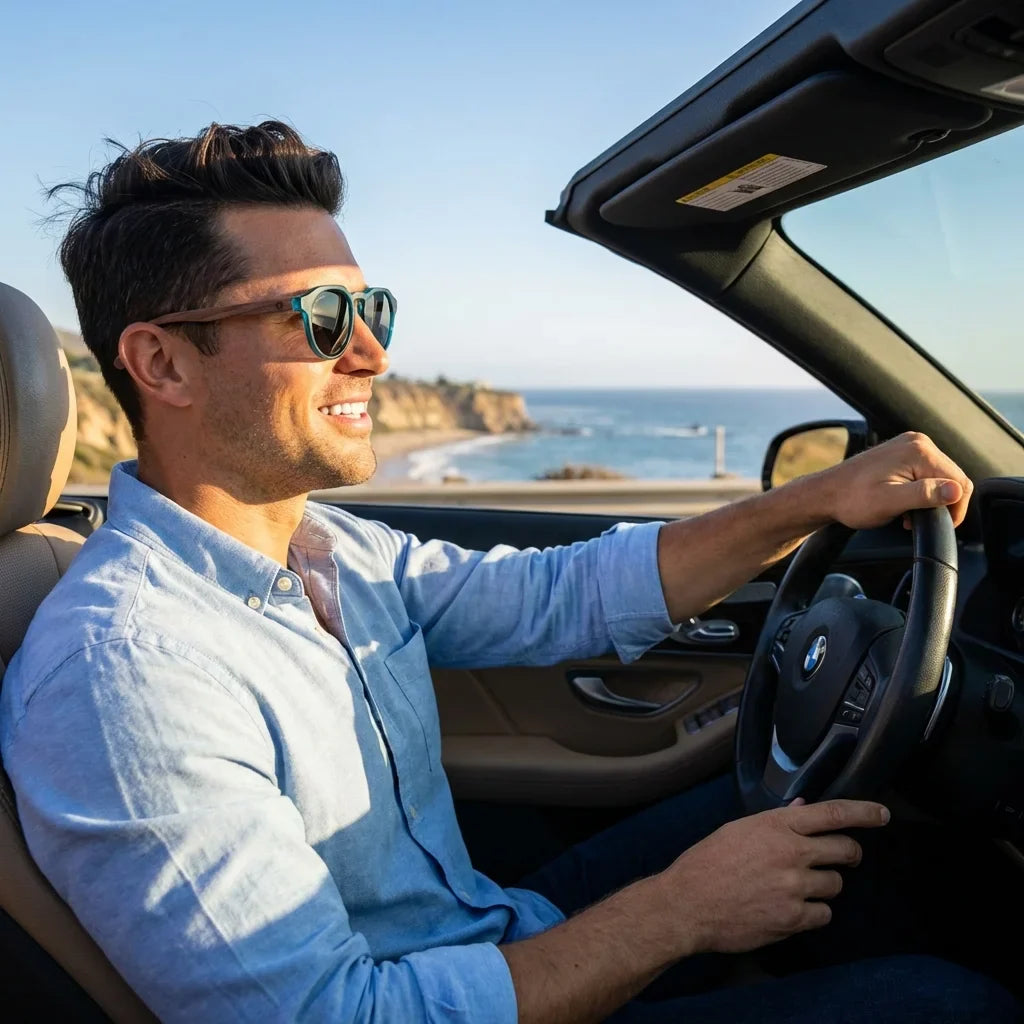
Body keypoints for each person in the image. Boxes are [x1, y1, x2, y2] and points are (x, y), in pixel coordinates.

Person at [0, 121, 1015, 1024]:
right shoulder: (125, 674)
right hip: (431, 992)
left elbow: (564, 596)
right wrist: (678, 912)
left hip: (485, 928)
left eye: (375, 311)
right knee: (946, 1003)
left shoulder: (326, 547)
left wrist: (811, 501)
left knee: (858, 833)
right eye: (317, 318)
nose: (371, 355)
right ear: (164, 364)